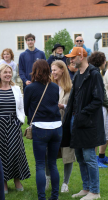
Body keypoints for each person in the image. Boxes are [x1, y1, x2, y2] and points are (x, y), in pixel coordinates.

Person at [62, 47, 106, 200]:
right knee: (80, 156)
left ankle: (95, 191)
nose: (71, 60)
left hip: (89, 122)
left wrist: (82, 114)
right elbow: (74, 100)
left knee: (89, 157)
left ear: (81, 56)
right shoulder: (77, 76)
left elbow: (98, 99)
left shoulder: (94, 75)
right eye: (70, 58)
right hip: (77, 121)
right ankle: (86, 188)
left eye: (73, 57)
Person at [0, 64, 30, 194]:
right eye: (5, 72)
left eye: (10, 72)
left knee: (16, 152)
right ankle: (3, 182)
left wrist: (20, 120)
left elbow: (21, 108)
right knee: (0, 154)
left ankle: (17, 180)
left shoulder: (16, 89)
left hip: (13, 125)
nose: (8, 74)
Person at [24, 59, 62, 200]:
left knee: (40, 164)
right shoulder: (54, 87)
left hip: (40, 128)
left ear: (34, 71)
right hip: (57, 127)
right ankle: (55, 196)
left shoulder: (30, 88)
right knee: (52, 164)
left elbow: (27, 108)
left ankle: (41, 197)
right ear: (48, 70)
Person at [51, 60, 76, 193]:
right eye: (52, 70)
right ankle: (48, 178)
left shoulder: (70, 87)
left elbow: (74, 107)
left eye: (55, 70)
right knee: (49, 154)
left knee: (68, 154)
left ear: (62, 70)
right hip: (52, 124)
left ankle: (65, 183)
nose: (53, 73)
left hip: (66, 125)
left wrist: (63, 106)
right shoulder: (49, 86)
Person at [88, 51, 108, 168]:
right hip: (98, 108)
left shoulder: (93, 72)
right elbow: (102, 95)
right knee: (97, 134)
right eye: (104, 60)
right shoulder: (95, 74)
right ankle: (95, 160)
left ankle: (97, 158)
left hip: (97, 107)